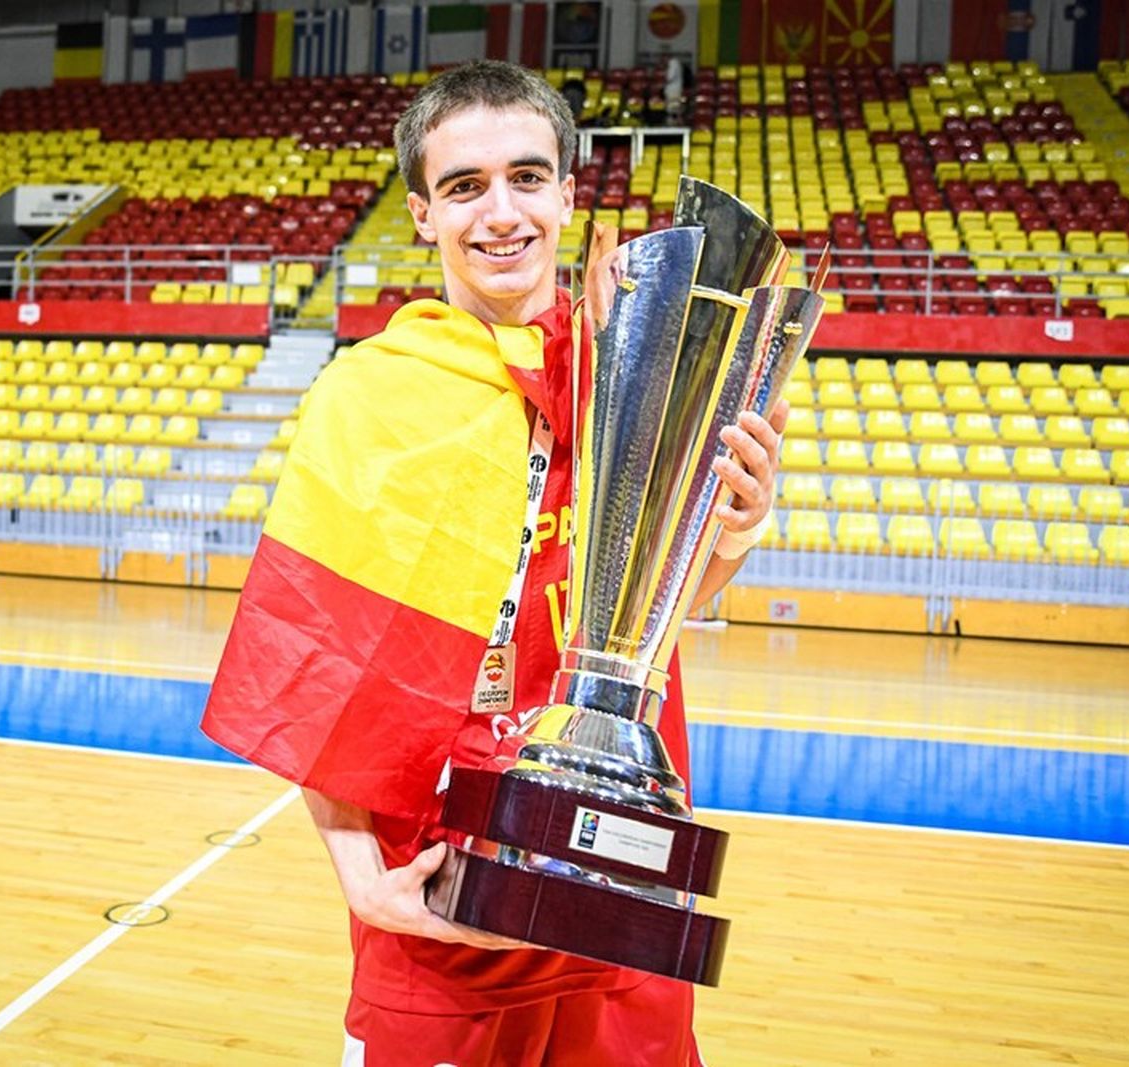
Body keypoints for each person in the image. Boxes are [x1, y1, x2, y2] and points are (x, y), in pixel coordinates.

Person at [202, 60, 787, 1066]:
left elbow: (638, 632)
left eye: (526, 176)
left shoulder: (631, 374)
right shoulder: (375, 398)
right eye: (465, 186)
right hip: (442, 900)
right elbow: (322, 671)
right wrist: (357, 876)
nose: (500, 211)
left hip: (608, 884)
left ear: (567, 191)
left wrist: (727, 532)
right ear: (424, 214)